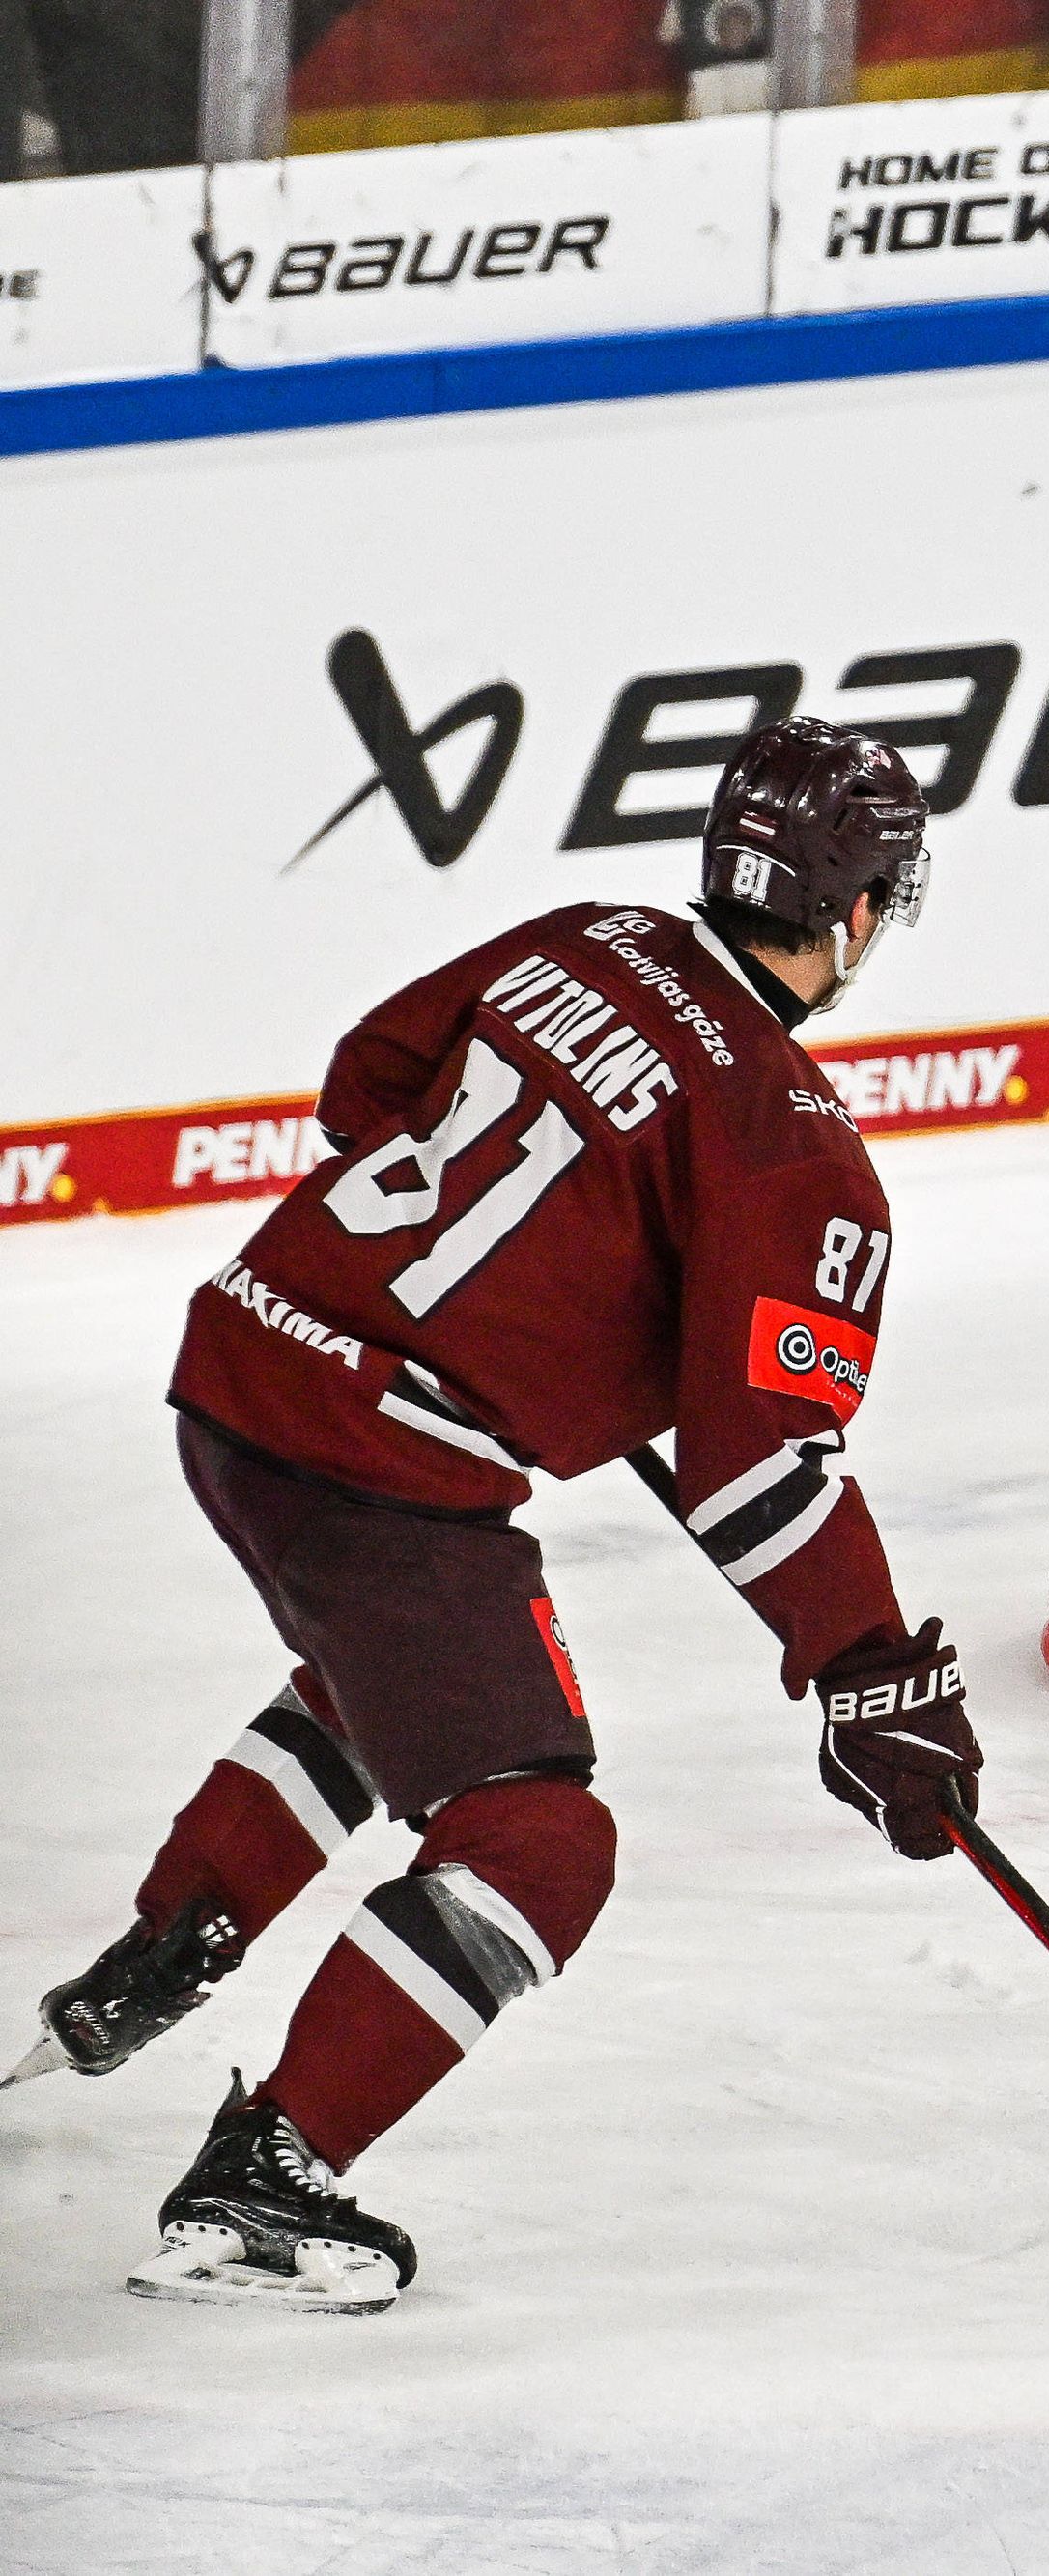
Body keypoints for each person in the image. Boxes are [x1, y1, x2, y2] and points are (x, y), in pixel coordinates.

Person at [14, 719, 984, 2316]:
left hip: (240, 1364)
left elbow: (367, 1082)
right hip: (376, 1463)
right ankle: (264, 2183)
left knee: (389, 1684)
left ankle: (161, 1950)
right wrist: (875, 1673)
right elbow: (759, 1469)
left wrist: (558, 1295)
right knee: (538, 1839)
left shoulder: (590, 937)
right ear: (861, 910)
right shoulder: (795, 1150)